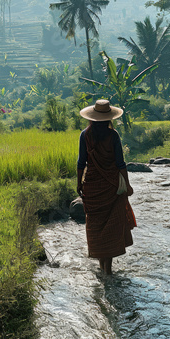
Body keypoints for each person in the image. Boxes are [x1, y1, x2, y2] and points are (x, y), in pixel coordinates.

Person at [76, 99, 136, 275]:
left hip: (92, 188)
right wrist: (128, 185)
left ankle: (103, 268)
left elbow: (81, 163)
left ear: (92, 118)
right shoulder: (113, 136)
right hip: (111, 187)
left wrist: (79, 183)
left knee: (96, 227)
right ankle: (107, 270)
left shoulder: (84, 135)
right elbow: (120, 164)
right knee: (109, 227)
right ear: (109, 118)